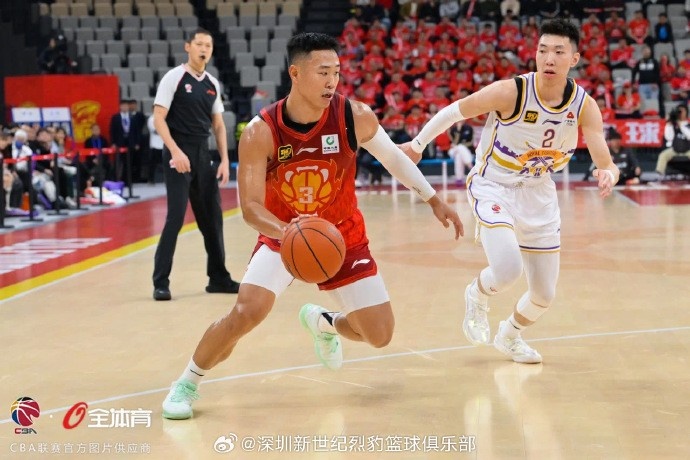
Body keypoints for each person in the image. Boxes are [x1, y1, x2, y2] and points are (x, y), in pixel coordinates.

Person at [160, 32, 463, 420]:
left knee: (380, 334)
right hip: (282, 234)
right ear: (295, 74)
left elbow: (393, 158)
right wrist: (288, 232)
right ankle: (186, 382)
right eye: (323, 72)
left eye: (336, 72)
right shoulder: (260, 131)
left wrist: (433, 199)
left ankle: (326, 324)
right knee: (246, 313)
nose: (332, 81)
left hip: (342, 234)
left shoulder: (354, 116)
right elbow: (251, 208)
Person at [400, 19, 619, 364]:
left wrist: (608, 175)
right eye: (543, 50)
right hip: (494, 186)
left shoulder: (584, 106)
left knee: (544, 295)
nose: (549, 58)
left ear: (574, 59)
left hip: (538, 194)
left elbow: (607, 162)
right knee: (507, 270)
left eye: (558, 52)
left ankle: (510, 335)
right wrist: (417, 145)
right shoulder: (512, 92)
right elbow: (455, 111)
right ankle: (477, 294)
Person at [151, 28, 240, 301]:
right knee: (176, 217)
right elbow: (158, 118)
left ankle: (219, 278)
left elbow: (218, 126)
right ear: (188, 47)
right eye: (199, 44)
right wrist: (175, 151)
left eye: (208, 45)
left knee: (213, 219)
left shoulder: (212, 83)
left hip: (203, 154)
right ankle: (160, 282)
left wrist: (224, 160)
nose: (203, 49)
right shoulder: (174, 77)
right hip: (178, 152)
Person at [655, 104, 690, 178]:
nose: (680, 113)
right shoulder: (674, 125)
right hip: (675, 149)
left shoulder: (688, 125)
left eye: (682, 111)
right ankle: (659, 175)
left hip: (688, 150)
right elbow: (669, 138)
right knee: (663, 155)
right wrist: (669, 124)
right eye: (679, 111)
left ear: (686, 113)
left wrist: (680, 125)